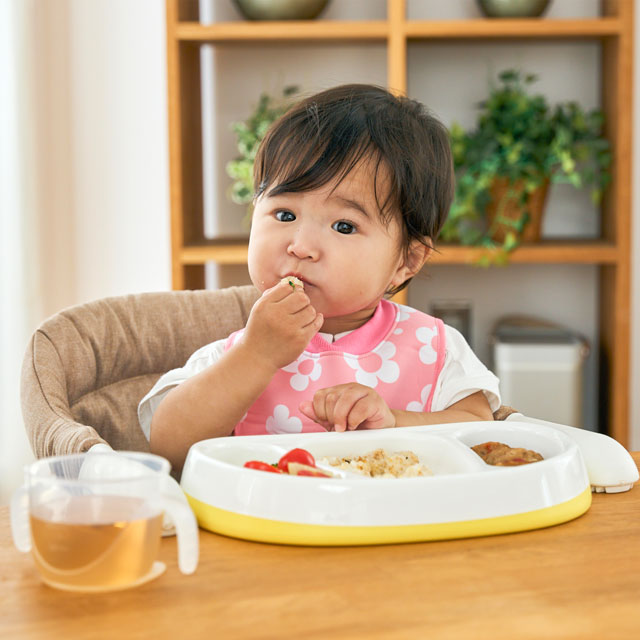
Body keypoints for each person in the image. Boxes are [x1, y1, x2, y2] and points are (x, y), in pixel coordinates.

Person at [140, 84, 500, 470]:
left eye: (344, 226)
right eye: (284, 215)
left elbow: (484, 431)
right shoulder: (239, 353)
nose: (301, 246)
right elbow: (170, 448)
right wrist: (256, 356)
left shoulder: (434, 348)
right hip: (269, 526)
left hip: (400, 525)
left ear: (406, 261)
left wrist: (395, 423)